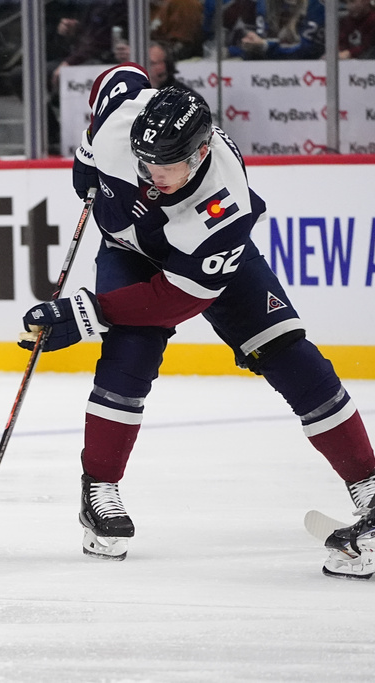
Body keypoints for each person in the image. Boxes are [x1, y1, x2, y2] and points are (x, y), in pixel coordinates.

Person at [21, 65, 375, 577]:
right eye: (143, 163)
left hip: (191, 267)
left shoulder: (224, 208)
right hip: (128, 249)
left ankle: (366, 478)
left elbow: (175, 300)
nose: (150, 176)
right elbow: (118, 79)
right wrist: (85, 158)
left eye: (164, 167)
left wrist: (86, 313)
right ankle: (98, 489)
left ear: (200, 154)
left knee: (284, 348)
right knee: (127, 360)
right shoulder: (124, 120)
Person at [229, 0, 325, 60]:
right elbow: (260, 44)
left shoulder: (317, 6)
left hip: (306, 72)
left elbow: (306, 51)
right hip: (269, 73)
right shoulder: (264, 4)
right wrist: (233, 51)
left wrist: (265, 46)